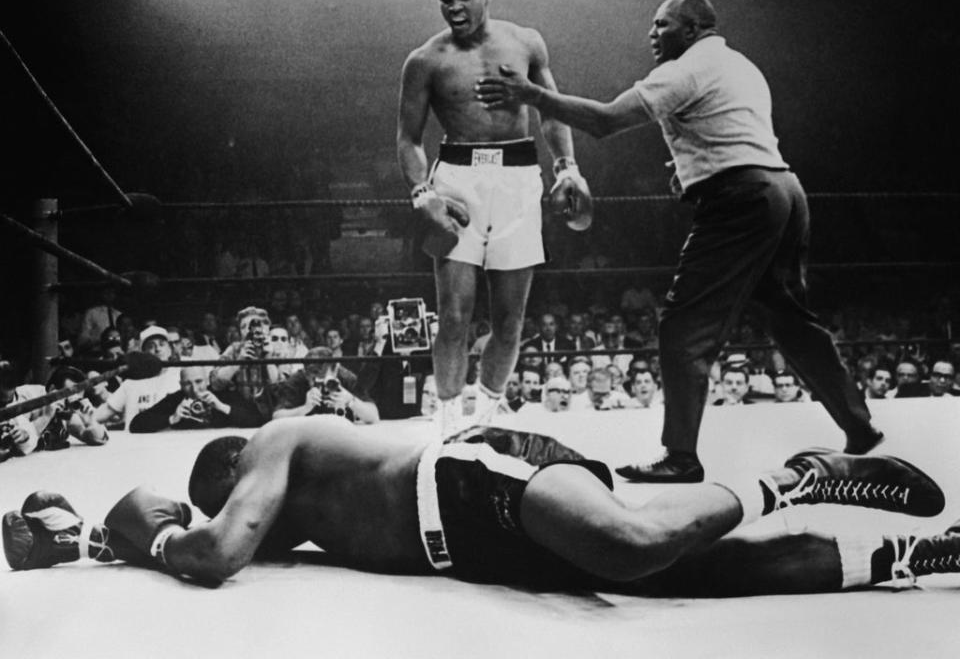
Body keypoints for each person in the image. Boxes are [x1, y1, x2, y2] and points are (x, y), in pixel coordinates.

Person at [475, 0, 883, 482]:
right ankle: (860, 429)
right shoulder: (738, 64)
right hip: (783, 191)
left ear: (690, 29)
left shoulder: (686, 68)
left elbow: (605, 122)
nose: (652, 34)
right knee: (789, 318)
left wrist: (533, 95)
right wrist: (692, 168)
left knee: (683, 326)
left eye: (662, 24)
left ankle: (681, 457)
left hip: (743, 199)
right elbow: (729, 129)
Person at [5, 419, 956, 601]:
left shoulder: (278, 442)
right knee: (693, 572)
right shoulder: (304, 519)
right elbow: (220, 545)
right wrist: (86, 536)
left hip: (469, 477)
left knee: (633, 546)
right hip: (474, 543)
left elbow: (212, 555)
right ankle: (915, 557)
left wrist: (162, 534)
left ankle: (796, 475)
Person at [396, 0, 592, 438]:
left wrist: (567, 166)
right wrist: (423, 194)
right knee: (455, 314)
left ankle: (486, 414)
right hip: (456, 182)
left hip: (519, 177)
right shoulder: (425, 60)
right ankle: (445, 420)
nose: (454, 7)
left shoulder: (526, 42)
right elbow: (408, 137)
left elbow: (551, 111)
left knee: (510, 317)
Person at [128, 367, 264, 433]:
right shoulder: (175, 399)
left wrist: (222, 407)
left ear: (207, 381)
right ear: (181, 385)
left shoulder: (223, 395)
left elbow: (258, 419)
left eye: (199, 381)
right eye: (188, 384)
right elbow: (136, 424)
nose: (194, 389)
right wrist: (171, 418)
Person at [271, 347, 379, 425]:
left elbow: (373, 416)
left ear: (336, 369)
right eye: (314, 381)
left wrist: (350, 401)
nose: (322, 387)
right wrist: (305, 408)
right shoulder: (296, 381)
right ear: (305, 373)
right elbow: (277, 417)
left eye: (324, 379)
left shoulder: (346, 377)